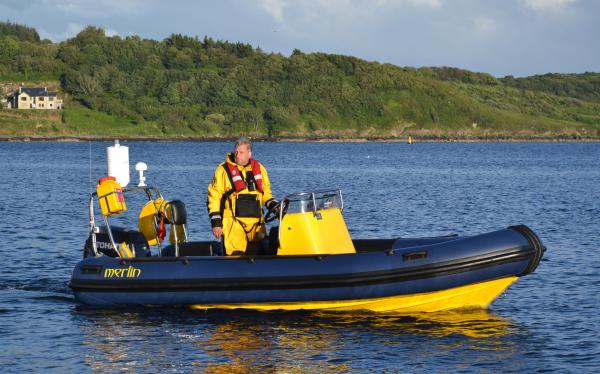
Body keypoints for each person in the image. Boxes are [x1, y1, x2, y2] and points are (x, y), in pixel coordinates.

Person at [207, 137, 279, 255]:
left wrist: (276, 207)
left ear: (249, 154)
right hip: (233, 225)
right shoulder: (222, 170)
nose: (237, 155)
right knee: (235, 258)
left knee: (261, 256)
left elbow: (266, 194)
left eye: (241, 152)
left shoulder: (259, 168)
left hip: (256, 225)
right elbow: (214, 197)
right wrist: (216, 224)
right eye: (236, 152)